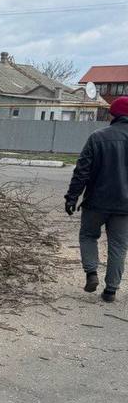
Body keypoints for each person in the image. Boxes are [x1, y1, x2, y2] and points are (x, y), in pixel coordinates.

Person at [64, 95, 128, 304]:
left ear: (113, 114)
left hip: (96, 202)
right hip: (125, 206)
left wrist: (72, 197)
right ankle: (111, 290)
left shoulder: (97, 137)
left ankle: (91, 273)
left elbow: (82, 171)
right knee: (118, 245)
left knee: (88, 236)